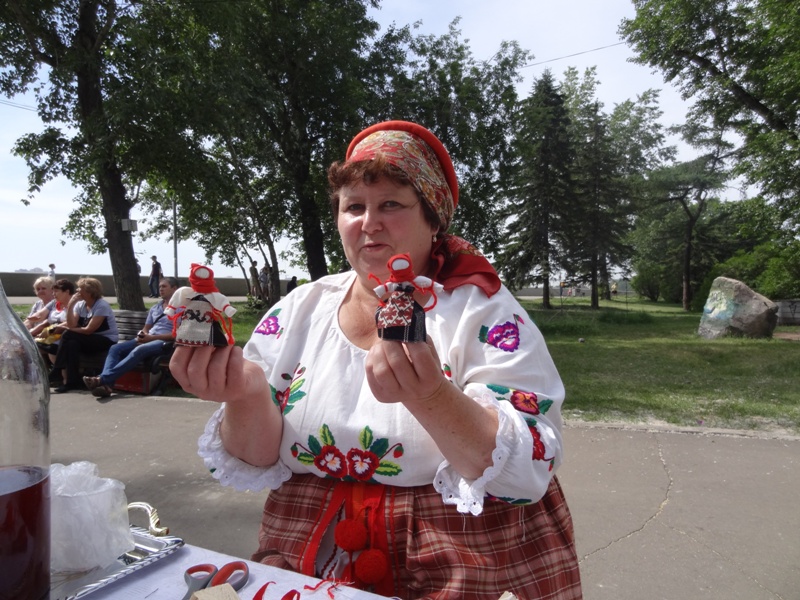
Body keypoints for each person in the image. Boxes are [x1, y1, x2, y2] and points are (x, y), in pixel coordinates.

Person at [171, 121, 581, 598]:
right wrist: (244, 394)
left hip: (462, 552)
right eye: (354, 207)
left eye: (390, 204)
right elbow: (259, 456)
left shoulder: (481, 310)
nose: (369, 223)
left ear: (433, 220)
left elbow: (527, 470)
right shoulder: (301, 309)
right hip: (309, 544)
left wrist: (432, 397)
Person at [83, 277, 179, 399]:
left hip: (164, 342)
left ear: (174, 289)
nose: (160, 289)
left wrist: (151, 338)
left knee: (139, 350)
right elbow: (146, 328)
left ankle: (102, 379)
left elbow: (177, 334)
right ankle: (107, 386)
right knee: (115, 348)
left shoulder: (180, 308)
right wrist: (142, 335)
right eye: (159, 286)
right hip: (147, 339)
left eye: (164, 286)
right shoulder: (155, 308)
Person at [50, 277, 119, 393]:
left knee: (68, 334)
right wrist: (71, 305)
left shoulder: (101, 305)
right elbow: (72, 324)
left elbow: (89, 330)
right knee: (72, 344)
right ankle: (71, 382)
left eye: (80, 289)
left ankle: (57, 370)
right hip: (88, 339)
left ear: (89, 291)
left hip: (105, 340)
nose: (77, 291)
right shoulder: (80, 304)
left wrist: (68, 329)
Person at [32, 278, 76, 368]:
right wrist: (29, 333)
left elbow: (69, 323)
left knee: (51, 349)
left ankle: (58, 372)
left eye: (56, 291)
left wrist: (48, 332)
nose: (53, 294)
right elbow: (45, 320)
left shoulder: (76, 305)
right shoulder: (55, 303)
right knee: (33, 346)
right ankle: (45, 372)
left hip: (64, 336)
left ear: (67, 292)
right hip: (52, 336)